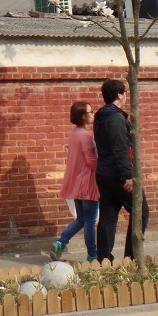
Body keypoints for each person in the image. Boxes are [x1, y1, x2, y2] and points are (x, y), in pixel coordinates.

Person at [94, 79, 149, 263]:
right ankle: (132, 256)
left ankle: (103, 259)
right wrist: (128, 175)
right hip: (117, 174)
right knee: (140, 210)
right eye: (124, 92)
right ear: (119, 94)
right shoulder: (115, 118)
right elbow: (120, 148)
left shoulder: (101, 115)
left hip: (104, 173)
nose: (126, 96)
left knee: (108, 216)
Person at [52, 101, 98, 262]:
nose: (93, 114)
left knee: (81, 219)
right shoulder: (85, 136)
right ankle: (92, 254)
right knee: (90, 221)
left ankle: (61, 242)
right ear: (84, 116)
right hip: (87, 183)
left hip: (76, 184)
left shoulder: (74, 134)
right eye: (91, 112)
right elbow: (92, 162)